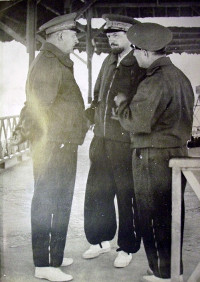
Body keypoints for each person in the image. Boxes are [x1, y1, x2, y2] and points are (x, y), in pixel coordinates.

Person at [115, 22, 194, 281]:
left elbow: (136, 121)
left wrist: (121, 104)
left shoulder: (154, 81)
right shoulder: (180, 77)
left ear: (147, 52)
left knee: (153, 216)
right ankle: (172, 270)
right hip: (176, 153)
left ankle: (162, 275)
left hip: (153, 157)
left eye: (136, 51)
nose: (135, 56)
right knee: (171, 215)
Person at [12, 13, 88, 282]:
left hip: (60, 142)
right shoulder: (48, 63)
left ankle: (54, 256)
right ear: (59, 36)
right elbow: (36, 107)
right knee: (48, 201)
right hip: (53, 145)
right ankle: (44, 263)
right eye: (73, 33)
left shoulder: (55, 61)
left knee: (60, 201)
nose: (77, 38)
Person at [83, 14, 145, 268]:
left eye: (116, 35)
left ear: (130, 37)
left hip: (124, 142)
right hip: (101, 138)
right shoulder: (108, 62)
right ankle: (99, 240)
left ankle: (127, 247)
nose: (111, 40)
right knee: (97, 192)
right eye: (109, 36)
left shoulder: (138, 65)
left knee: (126, 195)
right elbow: (97, 98)